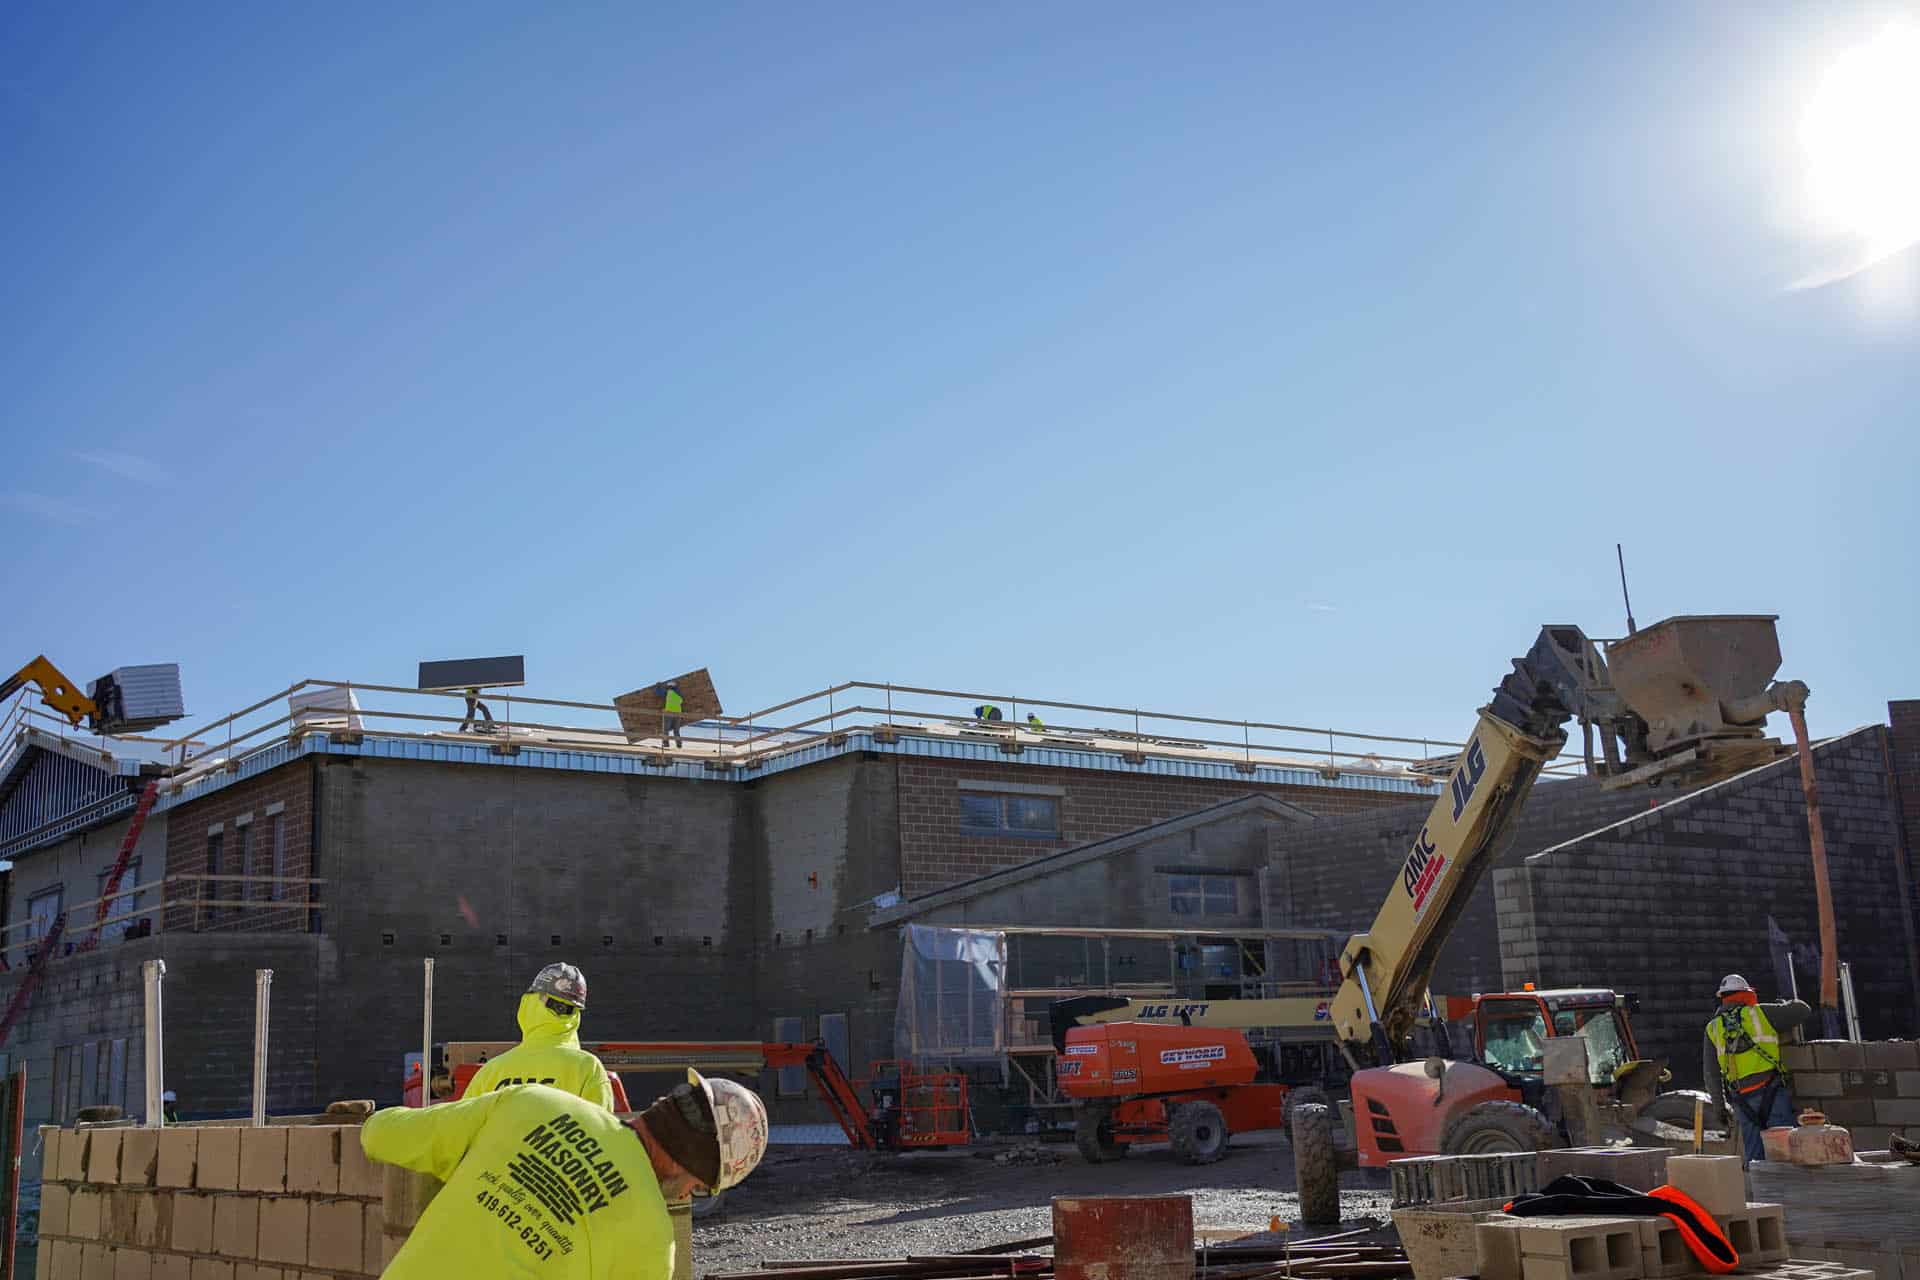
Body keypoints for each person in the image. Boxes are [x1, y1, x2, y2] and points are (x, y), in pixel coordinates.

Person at [363, 1069, 768, 1280]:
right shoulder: (650, 1242)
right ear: (690, 1163)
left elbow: (380, 1135)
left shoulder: (535, 1102)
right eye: (699, 1188)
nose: (687, 1194)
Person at [466, 964, 616, 1111]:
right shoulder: (588, 1069)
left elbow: (462, 1128)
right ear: (575, 1016)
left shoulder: (491, 1071)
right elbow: (600, 1131)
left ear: (528, 1003)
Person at [1703, 972, 1811, 1164]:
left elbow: (1711, 1074)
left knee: (1756, 1161)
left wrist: (1720, 1108)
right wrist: (1784, 1004)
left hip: (1741, 1101)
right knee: (1785, 1153)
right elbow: (1803, 1010)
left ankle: (1762, 1193)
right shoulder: (1761, 1013)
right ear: (1747, 994)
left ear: (1723, 998)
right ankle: (1790, 1191)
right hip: (1771, 1092)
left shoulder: (1713, 1028)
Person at [658, 682, 684, 748]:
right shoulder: (679, 693)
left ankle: (666, 744)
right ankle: (679, 744)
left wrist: (658, 686)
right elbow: (681, 701)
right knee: (676, 730)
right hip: (678, 713)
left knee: (665, 729)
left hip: (669, 712)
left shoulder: (668, 692)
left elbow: (659, 692)